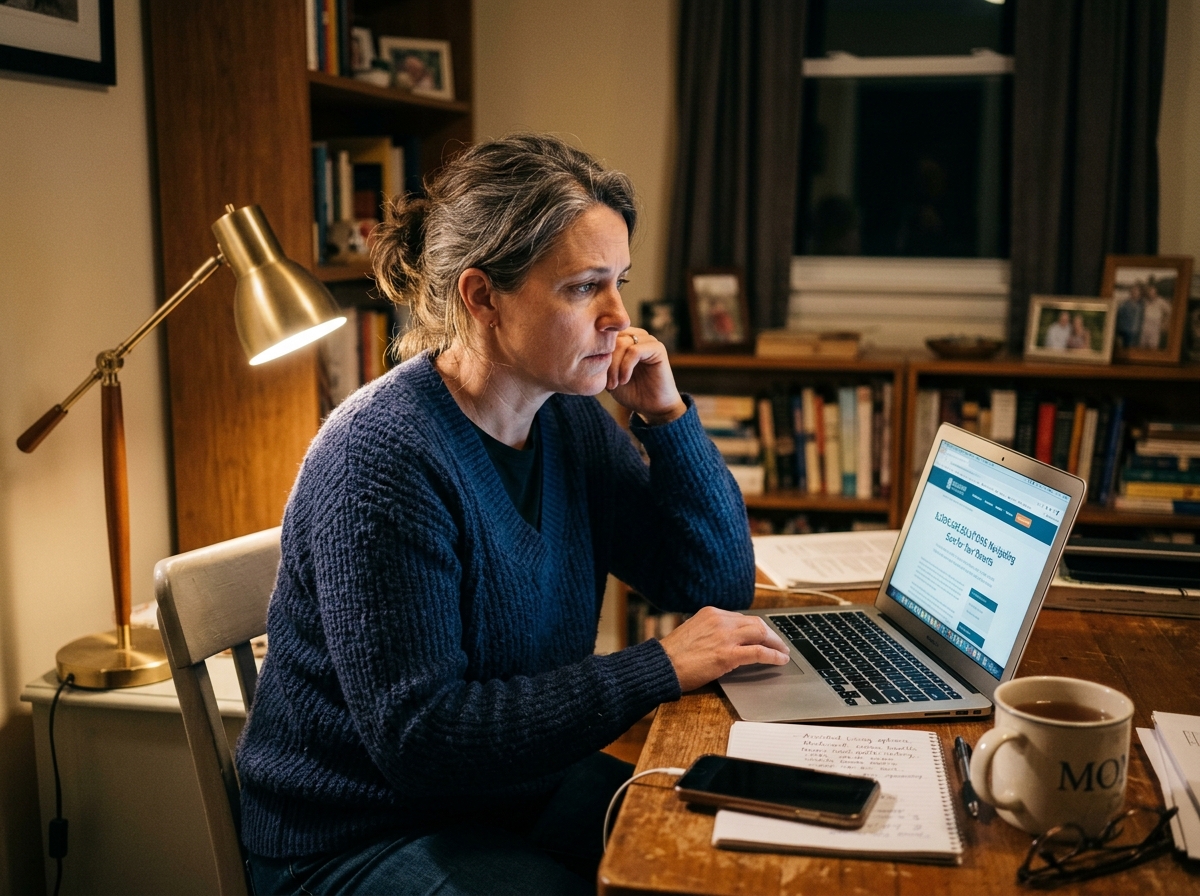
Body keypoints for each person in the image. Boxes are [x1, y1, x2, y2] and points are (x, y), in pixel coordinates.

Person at [235, 134, 789, 895]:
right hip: (351, 838)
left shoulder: (571, 420)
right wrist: (657, 666)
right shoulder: (383, 459)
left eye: (619, 281)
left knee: (716, 850)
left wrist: (667, 418)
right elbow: (421, 738)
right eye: (582, 287)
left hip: (508, 795)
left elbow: (713, 582)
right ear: (482, 296)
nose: (618, 317)